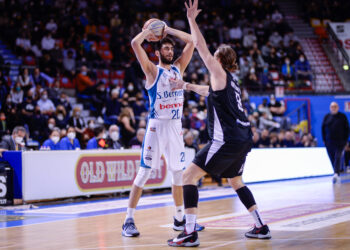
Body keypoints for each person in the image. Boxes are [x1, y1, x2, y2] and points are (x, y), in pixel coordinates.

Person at [168, 1, 271, 247]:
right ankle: (260, 225)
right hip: (244, 138)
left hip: (226, 140)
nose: (210, 59)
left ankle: (189, 232)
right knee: (236, 181)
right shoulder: (231, 81)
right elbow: (210, 92)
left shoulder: (218, 70)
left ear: (219, 59)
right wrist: (187, 86)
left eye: (213, 58)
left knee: (188, 176)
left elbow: (201, 47)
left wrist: (191, 20)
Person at [122, 20, 199, 237]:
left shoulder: (179, 68)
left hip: (175, 127)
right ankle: (128, 219)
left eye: (171, 48)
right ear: (157, 52)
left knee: (178, 173)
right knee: (145, 172)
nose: (170, 50)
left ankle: (179, 217)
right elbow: (134, 44)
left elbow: (192, 40)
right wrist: (149, 31)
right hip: (157, 126)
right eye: (165, 48)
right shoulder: (152, 72)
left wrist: (168, 30)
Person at [322, 102, 349, 183]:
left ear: (338, 107)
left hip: (340, 142)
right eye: (332, 106)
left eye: (335, 106)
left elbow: (347, 129)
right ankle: (335, 171)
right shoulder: (327, 117)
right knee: (332, 157)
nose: (333, 108)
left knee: (338, 157)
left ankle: (336, 173)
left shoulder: (342, 116)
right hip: (329, 142)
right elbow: (323, 128)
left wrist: (345, 140)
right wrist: (324, 139)